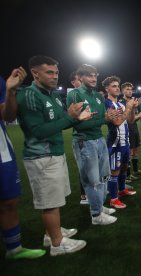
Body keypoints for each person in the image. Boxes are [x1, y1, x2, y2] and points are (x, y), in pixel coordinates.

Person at [16, 56, 89, 256]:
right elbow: (38, 131)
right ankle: (57, 244)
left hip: (54, 153)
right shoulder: (30, 95)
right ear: (35, 73)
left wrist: (75, 119)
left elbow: (60, 123)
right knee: (49, 203)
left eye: (56, 72)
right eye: (49, 72)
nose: (55, 76)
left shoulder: (54, 95)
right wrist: (70, 118)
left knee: (55, 200)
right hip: (41, 157)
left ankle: (51, 234)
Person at [1, 68, 46, 260]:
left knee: (8, 201)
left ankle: (14, 249)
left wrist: (10, 92)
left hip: (1, 149)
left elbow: (8, 116)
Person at [66, 64, 118, 225]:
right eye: (89, 75)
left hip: (99, 138)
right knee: (91, 179)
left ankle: (100, 207)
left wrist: (103, 119)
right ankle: (96, 215)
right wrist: (104, 120)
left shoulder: (97, 96)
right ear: (80, 77)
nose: (94, 78)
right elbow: (79, 124)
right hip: (85, 141)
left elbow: (100, 118)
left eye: (95, 75)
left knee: (103, 175)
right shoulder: (75, 94)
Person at [103, 76, 138, 209]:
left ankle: (122, 189)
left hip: (125, 142)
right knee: (115, 171)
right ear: (107, 89)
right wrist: (128, 107)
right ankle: (113, 198)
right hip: (115, 143)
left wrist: (132, 108)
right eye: (114, 86)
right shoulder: (107, 103)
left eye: (118, 86)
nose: (117, 88)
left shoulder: (122, 104)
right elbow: (117, 122)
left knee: (124, 167)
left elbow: (130, 120)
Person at [68, 71, 88, 204]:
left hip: (90, 136)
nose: (81, 82)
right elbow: (77, 116)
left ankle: (90, 192)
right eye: (78, 80)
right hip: (80, 136)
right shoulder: (73, 94)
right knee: (83, 167)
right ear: (73, 82)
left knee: (91, 167)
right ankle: (83, 195)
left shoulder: (86, 94)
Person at [120, 82, 141, 182]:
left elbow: (133, 119)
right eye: (127, 89)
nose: (130, 91)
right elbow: (124, 118)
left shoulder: (133, 101)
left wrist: (138, 114)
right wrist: (139, 115)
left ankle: (135, 170)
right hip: (126, 130)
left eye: (131, 89)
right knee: (129, 152)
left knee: (136, 150)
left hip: (134, 128)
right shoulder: (121, 102)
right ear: (123, 91)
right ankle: (127, 174)